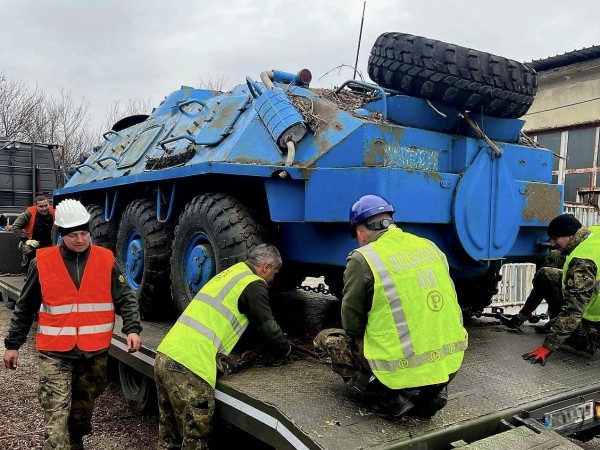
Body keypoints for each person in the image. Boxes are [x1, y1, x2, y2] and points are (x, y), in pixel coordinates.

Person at [3, 198, 142, 450]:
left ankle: (75, 441)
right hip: (55, 353)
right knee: (55, 422)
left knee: (80, 418)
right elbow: (24, 307)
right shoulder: (42, 262)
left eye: (84, 234)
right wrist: (13, 344)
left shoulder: (106, 260)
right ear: (61, 235)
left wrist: (132, 328)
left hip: (93, 354)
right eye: (73, 235)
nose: (80, 240)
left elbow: (125, 299)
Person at [314, 194, 468, 419]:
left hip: (397, 368)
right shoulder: (430, 247)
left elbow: (352, 325)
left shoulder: (363, 258)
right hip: (449, 361)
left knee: (326, 340)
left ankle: (388, 398)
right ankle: (434, 390)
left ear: (360, 232)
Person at [155, 243, 291, 449]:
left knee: (169, 436)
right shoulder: (253, 283)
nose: (273, 279)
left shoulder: (231, 273)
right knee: (196, 439)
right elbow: (267, 326)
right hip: (190, 367)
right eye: (274, 272)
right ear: (266, 266)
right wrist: (286, 348)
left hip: (165, 356)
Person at [523, 213, 600, 365]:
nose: (552, 244)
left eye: (555, 239)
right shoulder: (593, 233)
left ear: (570, 236)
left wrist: (548, 346)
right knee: (546, 274)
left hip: (595, 319)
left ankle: (592, 341)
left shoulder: (582, 261)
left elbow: (573, 309)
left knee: (575, 336)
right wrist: (523, 315)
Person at [499, 248, 566, 333]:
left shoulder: (554, 256)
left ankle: (554, 323)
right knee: (544, 281)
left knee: (544, 279)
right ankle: (553, 322)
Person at [12, 195, 55, 269]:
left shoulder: (54, 212)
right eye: (41, 206)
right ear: (36, 206)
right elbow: (15, 227)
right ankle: (28, 273)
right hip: (32, 241)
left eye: (46, 205)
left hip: (49, 241)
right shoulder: (29, 214)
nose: (44, 208)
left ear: (49, 204)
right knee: (28, 250)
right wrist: (26, 240)